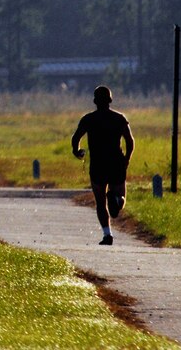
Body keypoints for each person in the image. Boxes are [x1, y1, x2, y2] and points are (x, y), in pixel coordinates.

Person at [71, 85, 134, 245]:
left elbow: (76, 138)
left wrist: (77, 151)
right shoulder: (119, 118)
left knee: (100, 202)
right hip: (116, 163)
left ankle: (107, 235)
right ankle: (117, 200)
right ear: (110, 100)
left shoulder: (88, 119)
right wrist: (127, 158)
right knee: (120, 199)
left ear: (95, 101)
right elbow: (130, 141)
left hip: (98, 165)